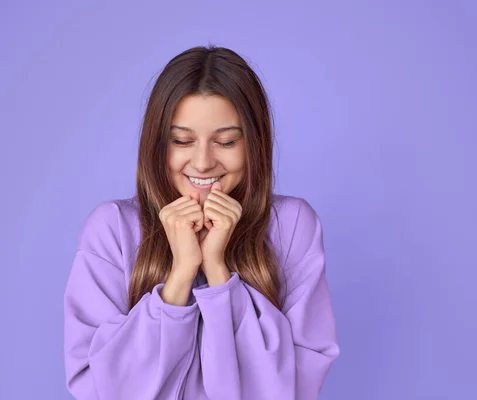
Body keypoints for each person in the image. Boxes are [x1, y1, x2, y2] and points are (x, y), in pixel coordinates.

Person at [63, 45, 340, 400]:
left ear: (254, 142)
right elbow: (99, 388)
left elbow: (295, 385)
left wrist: (218, 272)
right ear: (156, 143)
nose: (203, 161)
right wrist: (181, 274)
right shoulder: (112, 228)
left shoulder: (293, 224)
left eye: (225, 141)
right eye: (182, 140)